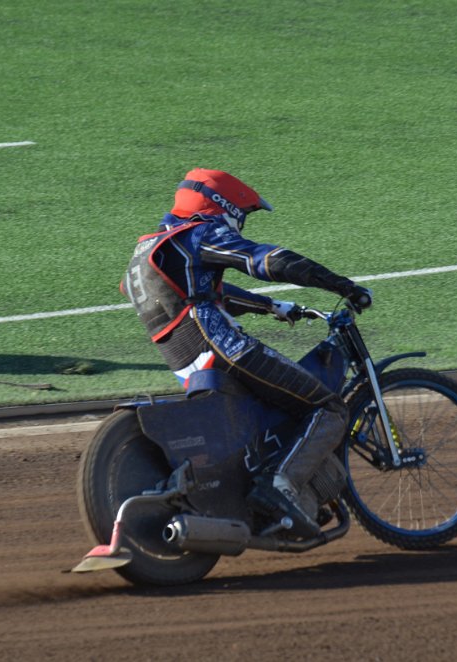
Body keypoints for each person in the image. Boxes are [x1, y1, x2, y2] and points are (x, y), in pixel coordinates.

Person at [122, 168, 372, 538]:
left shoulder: (150, 249)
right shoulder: (200, 232)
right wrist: (341, 285)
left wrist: (272, 306)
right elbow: (266, 260)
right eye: (244, 215)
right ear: (224, 206)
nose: (241, 224)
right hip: (223, 347)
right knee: (330, 408)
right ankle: (280, 487)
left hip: (188, 364)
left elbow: (205, 294)